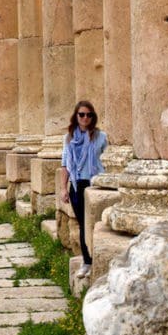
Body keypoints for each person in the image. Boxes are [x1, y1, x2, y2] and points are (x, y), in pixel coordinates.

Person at [61, 100, 107, 279]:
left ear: (93, 117)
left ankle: (97, 258)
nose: (85, 118)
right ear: (76, 116)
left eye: (89, 114)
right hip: (77, 184)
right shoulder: (69, 138)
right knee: (82, 224)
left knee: (95, 223)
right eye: (82, 114)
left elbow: (106, 160)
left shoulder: (101, 137)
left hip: (94, 183)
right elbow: (65, 165)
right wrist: (63, 189)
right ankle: (86, 261)